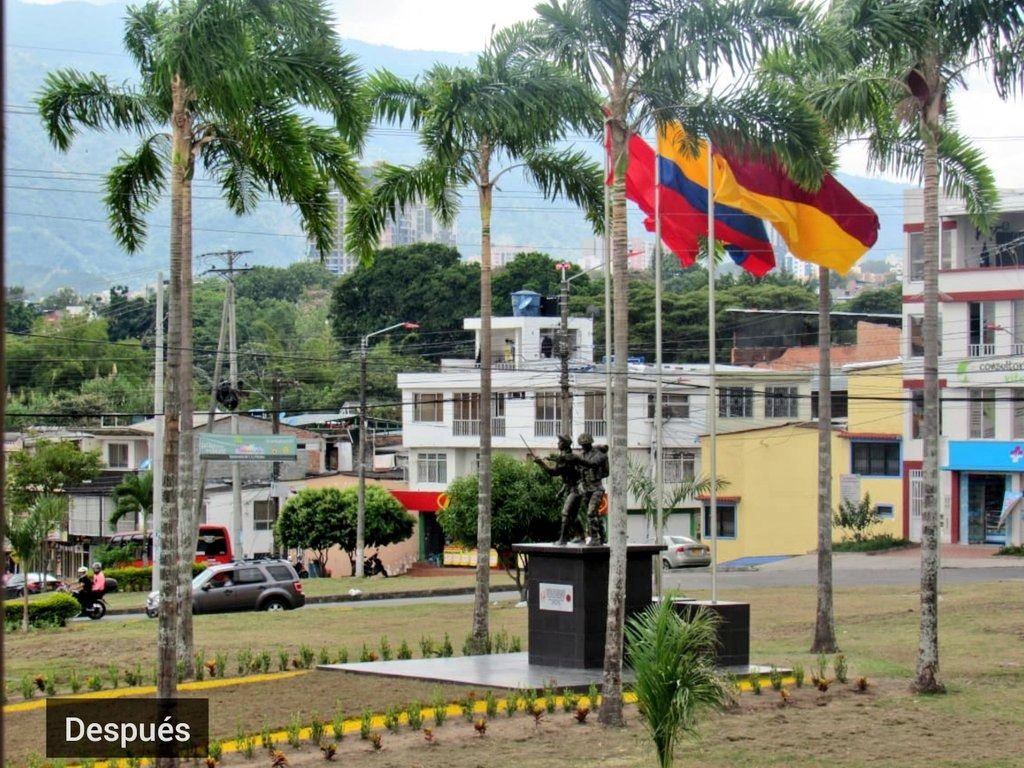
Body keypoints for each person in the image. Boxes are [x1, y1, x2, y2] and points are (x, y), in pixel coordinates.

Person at [530, 434, 584, 545]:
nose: (557, 443)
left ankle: (563, 539)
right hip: (573, 488)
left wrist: (541, 463)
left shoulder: (566, 458)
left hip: (576, 489)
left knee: (566, 512)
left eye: (560, 442)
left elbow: (553, 472)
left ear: (565, 444)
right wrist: (562, 491)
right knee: (573, 515)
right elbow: (567, 477)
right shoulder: (566, 457)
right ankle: (581, 536)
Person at [576, 433, 609, 545]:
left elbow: (594, 464)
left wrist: (577, 459)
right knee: (594, 514)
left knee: (591, 513)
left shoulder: (599, 454)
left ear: (590, 443)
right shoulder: (581, 455)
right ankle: (603, 536)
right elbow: (578, 471)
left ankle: (594, 538)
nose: (583, 447)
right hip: (586, 489)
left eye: (585, 444)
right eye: (582, 445)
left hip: (597, 488)